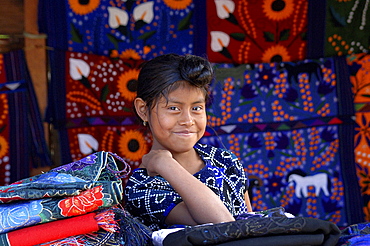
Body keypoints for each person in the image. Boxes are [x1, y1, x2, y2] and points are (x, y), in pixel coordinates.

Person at [124, 53, 252, 231]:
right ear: (143, 110)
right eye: (173, 108)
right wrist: (166, 165)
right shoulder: (141, 188)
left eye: (197, 108)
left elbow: (251, 227)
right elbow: (223, 226)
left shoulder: (225, 160)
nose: (188, 120)